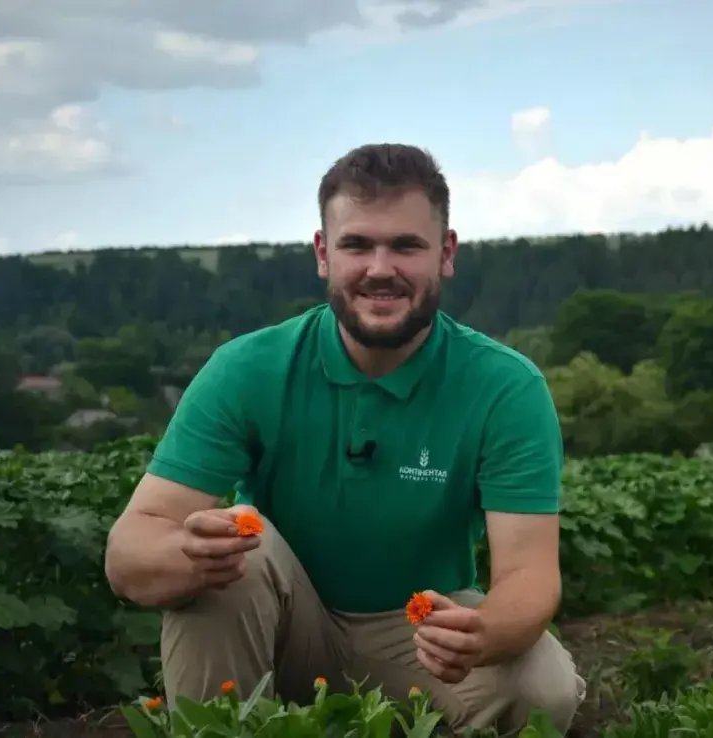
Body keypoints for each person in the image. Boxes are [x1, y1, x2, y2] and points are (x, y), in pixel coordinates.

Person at [103, 143, 585, 735]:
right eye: (357, 244)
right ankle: (223, 727)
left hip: (418, 633)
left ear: (446, 254)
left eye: (406, 245)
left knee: (543, 688)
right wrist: (187, 552)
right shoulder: (248, 368)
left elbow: (530, 576)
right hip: (279, 624)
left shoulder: (504, 386)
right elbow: (128, 553)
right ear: (323, 254)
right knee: (235, 551)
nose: (380, 268)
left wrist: (483, 632)